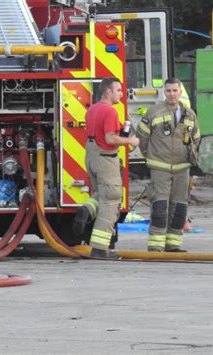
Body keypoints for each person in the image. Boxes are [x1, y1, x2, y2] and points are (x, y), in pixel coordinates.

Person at [72, 77, 140, 258]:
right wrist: (130, 140)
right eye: (118, 90)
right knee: (111, 200)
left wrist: (122, 129)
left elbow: (104, 130)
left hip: (91, 157)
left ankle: (86, 208)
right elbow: (110, 139)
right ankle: (100, 249)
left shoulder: (92, 109)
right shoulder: (110, 111)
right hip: (105, 158)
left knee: (102, 194)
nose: (121, 93)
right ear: (108, 91)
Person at [135, 77, 200, 252]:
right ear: (164, 92)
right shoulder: (153, 112)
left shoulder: (189, 114)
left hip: (182, 168)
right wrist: (149, 156)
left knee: (179, 207)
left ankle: (173, 245)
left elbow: (196, 137)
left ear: (180, 92)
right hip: (160, 167)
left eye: (175, 91)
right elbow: (141, 137)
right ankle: (155, 246)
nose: (172, 94)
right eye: (168, 91)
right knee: (160, 206)